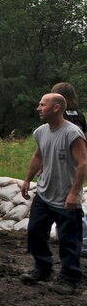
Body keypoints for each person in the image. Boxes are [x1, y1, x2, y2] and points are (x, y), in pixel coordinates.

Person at [19, 92, 87, 295]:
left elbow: (83, 163)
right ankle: (43, 269)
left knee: (69, 240)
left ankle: (70, 279)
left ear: (56, 108)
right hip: (44, 193)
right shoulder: (41, 131)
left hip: (66, 196)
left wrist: (75, 193)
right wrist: (27, 179)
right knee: (35, 233)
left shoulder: (72, 133)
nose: (38, 108)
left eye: (42, 105)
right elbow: (38, 156)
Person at [51, 83, 87, 255]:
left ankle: (69, 238)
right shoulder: (80, 115)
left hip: (61, 160)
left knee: (61, 202)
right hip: (78, 160)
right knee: (75, 196)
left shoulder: (59, 114)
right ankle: (80, 239)